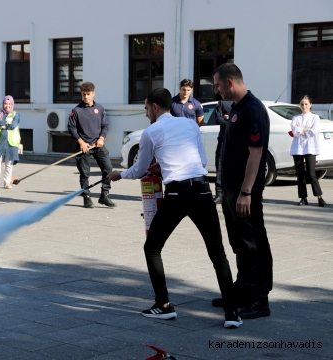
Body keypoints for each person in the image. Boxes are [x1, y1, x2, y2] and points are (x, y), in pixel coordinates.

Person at [107, 88, 241, 328]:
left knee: (153, 247)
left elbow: (138, 170)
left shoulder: (151, 132)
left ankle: (164, 305)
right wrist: (165, 166)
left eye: (147, 109)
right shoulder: (190, 125)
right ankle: (232, 313)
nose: (146, 114)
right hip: (201, 190)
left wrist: (119, 174)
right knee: (217, 252)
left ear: (156, 107)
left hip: (178, 194)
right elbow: (200, 161)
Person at [212, 63, 273, 319]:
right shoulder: (237, 108)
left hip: (243, 193)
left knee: (252, 244)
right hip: (230, 190)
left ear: (229, 82)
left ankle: (259, 300)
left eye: (216, 85)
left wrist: (246, 192)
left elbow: (256, 153)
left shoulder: (253, 109)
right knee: (238, 243)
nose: (215, 90)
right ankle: (242, 289)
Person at [68, 82, 115, 208]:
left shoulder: (99, 109)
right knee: (85, 174)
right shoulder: (76, 111)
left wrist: (102, 138)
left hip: (97, 145)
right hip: (84, 147)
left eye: (88, 94)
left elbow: (105, 125)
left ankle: (105, 195)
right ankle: (86, 197)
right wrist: (81, 142)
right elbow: (71, 128)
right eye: (84, 94)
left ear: (93, 93)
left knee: (108, 169)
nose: (86, 97)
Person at [291, 95, 326, 207]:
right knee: (300, 174)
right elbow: (294, 130)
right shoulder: (296, 118)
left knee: (311, 174)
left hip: (310, 148)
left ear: (310, 104)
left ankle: (319, 197)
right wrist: (305, 129)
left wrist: (302, 130)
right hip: (297, 149)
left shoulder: (315, 117)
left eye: (306, 104)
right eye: (302, 104)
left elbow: (314, 130)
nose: (304, 106)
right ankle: (303, 198)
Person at [0, 95, 20, 189]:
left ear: (12, 104)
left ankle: (7, 182)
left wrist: (4, 125)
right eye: (6, 103)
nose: (7, 106)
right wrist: (6, 123)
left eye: (9, 104)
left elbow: (13, 125)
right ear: (3, 104)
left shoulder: (16, 115)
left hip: (11, 142)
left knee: (9, 163)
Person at [210, 94, 233, 204]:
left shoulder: (238, 102)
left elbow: (240, 119)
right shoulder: (222, 102)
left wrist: (228, 118)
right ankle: (219, 194)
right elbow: (218, 119)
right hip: (223, 139)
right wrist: (231, 120)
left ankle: (230, 193)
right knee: (219, 167)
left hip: (235, 140)